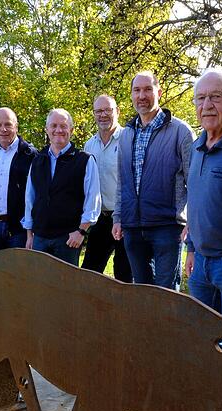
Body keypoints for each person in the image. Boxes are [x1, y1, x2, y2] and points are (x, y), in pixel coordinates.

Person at [112, 71, 195, 290]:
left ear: (158, 92)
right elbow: (122, 181)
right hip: (132, 227)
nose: (142, 95)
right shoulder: (126, 135)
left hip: (167, 227)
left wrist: (191, 223)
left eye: (147, 89)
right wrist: (118, 217)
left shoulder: (180, 131)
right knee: (142, 293)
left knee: (167, 295)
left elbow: (194, 182)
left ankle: (168, 327)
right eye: (136, 90)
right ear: (131, 95)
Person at [183, 68, 222, 323]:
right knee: (201, 338)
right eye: (201, 98)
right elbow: (196, 203)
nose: (207, 105)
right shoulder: (196, 147)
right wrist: (191, 249)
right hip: (201, 265)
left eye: (216, 97)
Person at [22, 109, 101, 266]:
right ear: (47, 130)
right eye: (54, 126)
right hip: (40, 238)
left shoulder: (84, 160)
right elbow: (30, 199)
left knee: (66, 288)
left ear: (71, 130)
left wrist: (81, 231)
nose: (58, 130)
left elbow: (93, 199)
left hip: (68, 238)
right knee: (41, 286)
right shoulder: (38, 160)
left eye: (63, 126)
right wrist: (30, 235)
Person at [80, 95, 132, 282]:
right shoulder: (89, 145)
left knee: (124, 277)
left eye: (107, 110)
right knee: (89, 275)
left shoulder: (129, 139)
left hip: (125, 219)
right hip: (100, 220)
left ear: (117, 111)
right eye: (98, 111)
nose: (103, 115)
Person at [0, 107, 36, 257]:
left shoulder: (29, 154)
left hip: (18, 227)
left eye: (8, 124)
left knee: (18, 275)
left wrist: (31, 228)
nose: (3, 129)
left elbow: (36, 193)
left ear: (16, 126)